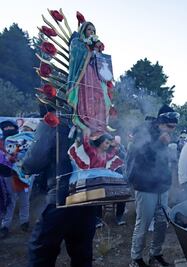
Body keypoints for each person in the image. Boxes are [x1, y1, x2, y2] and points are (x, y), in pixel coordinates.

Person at [22, 105, 96, 267]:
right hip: (88, 198)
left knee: (41, 252)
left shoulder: (52, 122)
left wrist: (25, 163)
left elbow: (32, 162)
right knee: (82, 255)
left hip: (61, 198)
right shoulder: (92, 122)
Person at [127, 104, 179, 267]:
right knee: (143, 222)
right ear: (160, 122)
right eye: (169, 126)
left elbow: (164, 161)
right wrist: (158, 142)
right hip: (145, 185)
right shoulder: (143, 132)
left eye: (173, 127)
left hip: (161, 185)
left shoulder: (165, 134)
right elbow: (138, 156)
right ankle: (136, 258)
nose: (171, 130)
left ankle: (156, 253)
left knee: (162, 222)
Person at [67, 21, 111, 133]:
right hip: (83, 74)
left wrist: (97, 51)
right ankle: (84, 121)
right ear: (83, 30)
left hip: (94, 73)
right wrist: (89, 51)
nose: (91, 32)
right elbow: (76, 57)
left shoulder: (95, 44)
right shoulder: (77, 42)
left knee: (99, 95)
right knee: (85, 96)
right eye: (89, 29)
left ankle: (98, 123)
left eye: (93, 30)